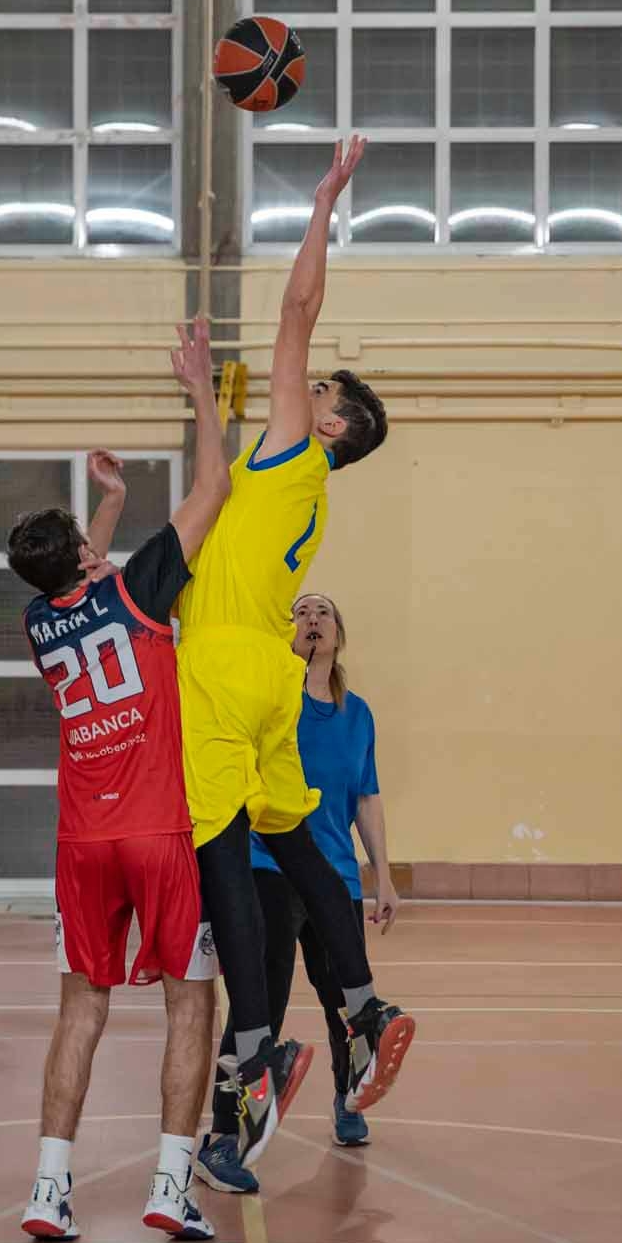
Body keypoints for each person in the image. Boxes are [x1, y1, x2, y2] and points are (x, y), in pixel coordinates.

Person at [176, 136, 415, 1168]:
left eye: (318, 391)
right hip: (273, 679)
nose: (301, 385)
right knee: (303, 844)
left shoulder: (295, 445)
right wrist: (201, 398)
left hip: (220, 667)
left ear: (333, 425)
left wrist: (323, 201)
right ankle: (360, 1005)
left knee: (225, 864)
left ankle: (255, 1052)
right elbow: (212, 490)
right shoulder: (300, 493)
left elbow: (295, 311)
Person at [8, 318, 230, 1243]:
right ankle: (170, 1185)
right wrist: (201, 390)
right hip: (157, 831)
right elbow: (214, 488)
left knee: (80, 1008)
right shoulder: (139, 589)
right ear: (87, 559)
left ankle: (47, 1191)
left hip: (82, 841)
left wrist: (106, 505)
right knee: (191, 1000)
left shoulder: (38, 621)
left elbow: (75, 582)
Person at [198, 591, 403, 1193]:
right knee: (261, 1001)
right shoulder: (272, 700)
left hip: (334, 876)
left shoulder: (357, 715)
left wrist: (382, 873)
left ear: (339, 634)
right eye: (301, 612)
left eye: (323, 613)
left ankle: (348, 1097)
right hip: (268, 866)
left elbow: (366, 796)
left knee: (345, 1002)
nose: (312, 619)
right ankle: (224, 1135)